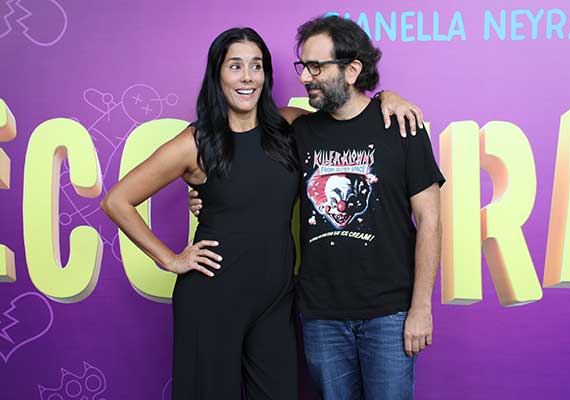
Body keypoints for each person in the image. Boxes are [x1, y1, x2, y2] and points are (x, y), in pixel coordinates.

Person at [102, 26, 422, 400]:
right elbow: (117, 201)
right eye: (235, 66)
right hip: (212, 298)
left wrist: (385, 97)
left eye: (256, 66)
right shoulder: (196, 143)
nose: (247, 77)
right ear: (218, 74)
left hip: (275, 302)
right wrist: (170, 259)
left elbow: (348, 109)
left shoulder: (289, 126)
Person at [191, 16, 444, 400]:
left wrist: (421, 308)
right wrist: (205, 194)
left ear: (352, 70)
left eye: (316, 67)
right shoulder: (299, 131)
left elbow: (429, 221)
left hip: (388, 314)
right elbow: (244, 170)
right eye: (303, 66)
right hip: (321, 316)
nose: (305, 77)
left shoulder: (402, 127)